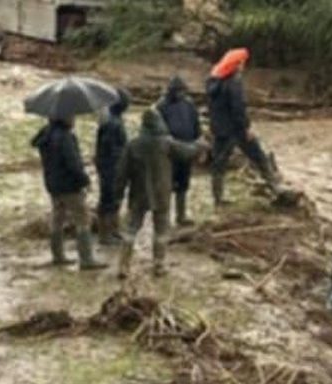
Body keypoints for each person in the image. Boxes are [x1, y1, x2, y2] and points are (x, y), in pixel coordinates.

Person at [114, 108, 205, 279]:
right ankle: (159, 265)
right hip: (162, 192)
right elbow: (187, 152)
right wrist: (200, 145)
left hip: (138, 193)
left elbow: (122, 173)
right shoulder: (166, 143)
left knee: (130, 229)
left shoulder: (133, 145)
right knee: (161, 229)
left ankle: (124, 266)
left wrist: (118, 194)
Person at [205, 47, 283, 206]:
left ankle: (217, 198)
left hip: (219, 129)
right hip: (236, 130)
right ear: (237, 64)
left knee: (219, 164)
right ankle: (276, 190)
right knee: (259, 157)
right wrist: (246, 128)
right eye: (242, 63)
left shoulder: (213, 81)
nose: (243, 66)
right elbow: (238, 108)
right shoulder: (234, 83)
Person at [31, 115, 105, 270]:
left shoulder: (45, 135)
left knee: (57, 218)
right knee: (83, 218)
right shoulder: (65, 138)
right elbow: (73, 164)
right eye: (72, 116)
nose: (74, 119)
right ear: (64, 118)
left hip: (53, 184)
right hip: (69, 186)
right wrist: (85, 180)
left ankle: (58, 255)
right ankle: (86, 258)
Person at [157, 75, 201, 226]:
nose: (181, 94)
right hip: (169, 151)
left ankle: (181, 216)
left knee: (183, 184)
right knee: (166, 185)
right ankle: (165, 218)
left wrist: (197, 144)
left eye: (183, 91)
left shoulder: (189, 104)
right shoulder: (161, 106)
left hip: (187, 149)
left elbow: (196, 124)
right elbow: (156, 129)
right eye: (178, 91)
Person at [94, 90, 130, 246]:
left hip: (111, 165)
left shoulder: (113, 120)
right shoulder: (112, 123)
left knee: (115, 198)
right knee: (108, 199)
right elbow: (110, 147)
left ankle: (113, 230)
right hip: (110, 166)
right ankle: (105, 234)